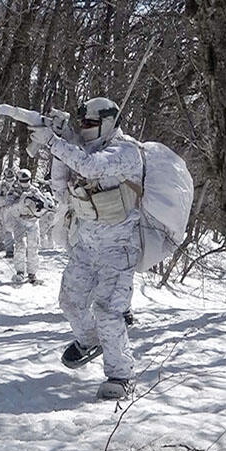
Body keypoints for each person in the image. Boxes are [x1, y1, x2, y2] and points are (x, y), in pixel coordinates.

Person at [29, 97, 141, 400]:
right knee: (70, 302)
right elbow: (63, 180)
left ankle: (121, 374)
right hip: (86, 246)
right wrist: (61, 137)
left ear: (107, 123)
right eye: (83, 124)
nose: (86, 129)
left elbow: (91, 168)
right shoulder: (83, 149)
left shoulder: (126, 152)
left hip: (118, 250)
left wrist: (53, 141)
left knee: (108, 312)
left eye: (91, 123)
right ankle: (89, 341)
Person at [8, 169, 52, 284]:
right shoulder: (13, 191)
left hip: (33, 221)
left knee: (33, 247)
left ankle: (32, 273)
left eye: (26, 180)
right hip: (20, 220)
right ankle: (20, 272)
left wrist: (43, 204)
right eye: (22, 180)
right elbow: (9, 206)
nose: (25, 182)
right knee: (20, 246)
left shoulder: (34, 190)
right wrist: (21, 200)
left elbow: (44, 203)